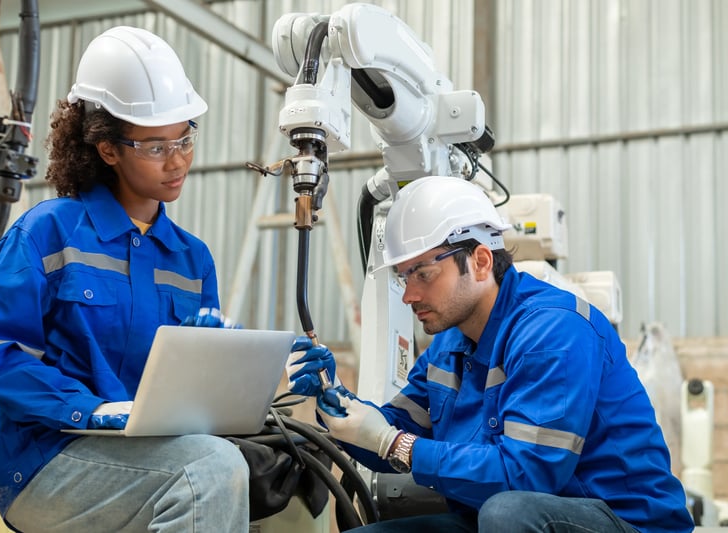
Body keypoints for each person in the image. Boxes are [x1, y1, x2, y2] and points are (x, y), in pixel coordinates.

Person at [286, 175, 694, 532]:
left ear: (480, 261)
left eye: (423, 274)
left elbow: (528, 476)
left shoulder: (553, 331)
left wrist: (396, 444)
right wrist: (336, 402)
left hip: (622, 522)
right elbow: (386, 429)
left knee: (507, 513)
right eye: (404, 277)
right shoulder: (450, 342)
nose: (410, 295)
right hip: (500, 519)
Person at [0, 26, 248, 532]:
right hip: (47, 460)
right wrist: (88, 411)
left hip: (150, 456)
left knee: (242, 464)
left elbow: (188, 396)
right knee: (208, 471)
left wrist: (220, 372)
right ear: (108, 149)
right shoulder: (46, 234)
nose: (178, 159)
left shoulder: (192, 260)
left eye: (185, 138)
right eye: (156, 147)